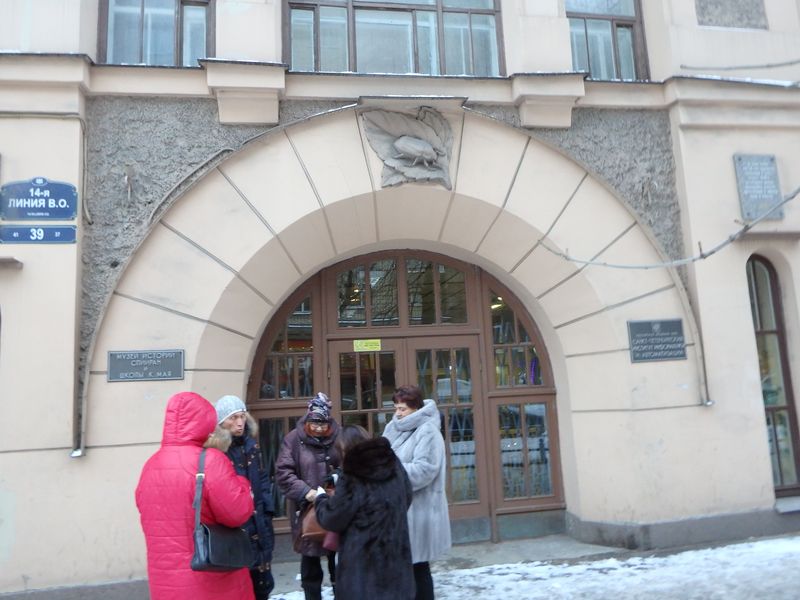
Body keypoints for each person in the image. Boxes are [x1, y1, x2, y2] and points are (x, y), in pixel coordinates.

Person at [135, 391, 255, 600]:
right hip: (211, 578)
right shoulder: (210, 460)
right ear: (205, 423)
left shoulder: (151, 464)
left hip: (165, 582)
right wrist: (243, 484)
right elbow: (237, 513)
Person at [314, 425, 415, 599]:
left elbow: (332, 518)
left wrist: (320, 499)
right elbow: (407, 496)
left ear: (344, 449)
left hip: (363, 573)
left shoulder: (352, 475)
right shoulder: (393, 463)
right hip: (396, 565)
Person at [383, 385, 452, 600]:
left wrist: (388, 472)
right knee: (403, 568)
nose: (398, 413)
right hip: (398, 509)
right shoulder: (393, 427)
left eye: (402, 408)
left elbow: (425, 470)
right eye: (396, 407)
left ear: (416, 408)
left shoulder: (428, 431)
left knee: (418, 568)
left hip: (420, 510)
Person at [275, 392, 341, 600]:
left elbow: (349, 463)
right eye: (315, 424)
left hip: (335, 507)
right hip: (306, 509)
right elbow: (283, 473)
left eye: (323, 424)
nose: (319, 428)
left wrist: (338, 479)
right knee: (310, 563)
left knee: (339, 563)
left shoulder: (339, 436)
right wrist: (305, 492)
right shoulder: (293, 440)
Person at [214, 395, 276, 600]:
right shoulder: (217, 451)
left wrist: (267, 509)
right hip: (236, 526)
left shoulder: (251, 445)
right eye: (233, 418)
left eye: (242, 416)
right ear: (221, 421)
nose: (239, 422)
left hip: (259, 520)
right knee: (241, 583)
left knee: (263, 582)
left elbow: (262, 477)